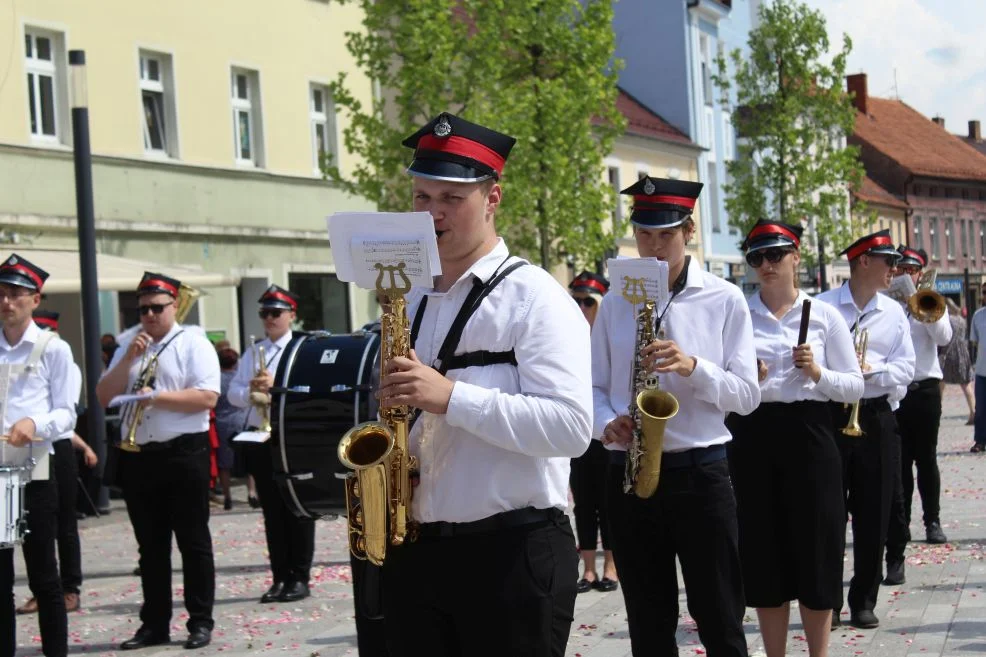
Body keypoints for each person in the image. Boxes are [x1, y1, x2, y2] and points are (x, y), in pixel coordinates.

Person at [375, 112, 592, 657]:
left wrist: (448, 398)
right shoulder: (412, 297)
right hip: (419, 550)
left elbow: (570, 428)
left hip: (512, 555)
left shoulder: (536, 297)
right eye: (422, 197)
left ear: (493, 197)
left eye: (452, 198)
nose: (432, 213)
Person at [592, 176, 760, 656]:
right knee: (647, 621)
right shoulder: (614, 302)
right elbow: (592, 386)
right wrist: (607, 421)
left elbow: (747, 396)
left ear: (689, 229)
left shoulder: (724, 299)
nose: (654, 245)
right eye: (644, 233)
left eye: (665, 234)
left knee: (720, 616)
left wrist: (693, 367)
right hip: (631, 470)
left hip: (700, 472)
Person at [726, 220, 863, 657]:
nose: (765, 265)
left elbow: (854, 386)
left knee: (817, 547)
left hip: (810, 434)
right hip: (753, 433)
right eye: (756, 257)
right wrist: (749, 377)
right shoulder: (738, 313)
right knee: (764, 548)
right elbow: (718, 386)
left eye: (775, 255)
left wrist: (818, 373)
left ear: (796, 256)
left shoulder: (824, 315)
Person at [96, 272, 220, 650]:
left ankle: (200, 621)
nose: (149, 315)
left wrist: (156, 398)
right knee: (149, 547)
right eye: (143, 308)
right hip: (140, 457)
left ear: (173, 306)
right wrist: (128, 359)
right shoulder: (129, 345)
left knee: (193, 543)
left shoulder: (192, 342)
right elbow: (103, 395)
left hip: (184, 453)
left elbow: (208, 397)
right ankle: (154, 624)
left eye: (157, 307)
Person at [816, 230, 915, 629]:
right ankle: (829, 602)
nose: (895, 269)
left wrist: (874, 372)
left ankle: (864, 600)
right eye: (887, 262)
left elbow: (907, 369)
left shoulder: (893, 313)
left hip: (875, 417)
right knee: (827, 514)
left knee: (874, 512)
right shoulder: (822, 307)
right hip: (831, 415)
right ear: (863, 262)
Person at [0, 254, 76, 657]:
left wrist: (34, 423)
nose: (6, 301)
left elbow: (67, 410)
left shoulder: (53, 349)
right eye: (2, 293)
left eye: (15, 294)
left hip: (35, 471)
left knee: (43, 573)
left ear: (35, 298)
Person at [228, 285, 314, 604]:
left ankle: (300, 576)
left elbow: (307, 390)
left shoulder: (302, 347)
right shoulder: (252, 352)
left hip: (289, 436)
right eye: (264, 313)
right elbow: (232, 395)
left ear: (292, 315)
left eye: (276, 313)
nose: (269, 319)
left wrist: (276, 387)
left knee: (297, 507)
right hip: (259, 437)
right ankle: (280, 576)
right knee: (272, 512)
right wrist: (251, 391)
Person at [883, 246, 952, 586]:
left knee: (926, 459)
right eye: (901, 267)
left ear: (921, 272)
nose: (905, 273)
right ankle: (903, 524)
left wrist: (921, 303)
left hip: (924, 388)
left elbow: (944, 337)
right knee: (900, 463)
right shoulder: (888, 306)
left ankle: (933, 520)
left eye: (912, 268)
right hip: (896, 390)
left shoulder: (930, 300)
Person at [16, 311, 85, 617]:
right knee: (24, 533)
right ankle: (43, 589)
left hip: (55, 447)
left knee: (63, 524)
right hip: (20, 451)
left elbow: (66, 415)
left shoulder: (60, 358)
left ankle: (68, 588)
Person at [567, 271, 618, 593]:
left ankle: (611, 566)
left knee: (609, 501)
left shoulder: (610, 336)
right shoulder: (566, 337)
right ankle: (587, 569)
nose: (582, 307)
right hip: (578, 430)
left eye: (589, 301)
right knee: (583, 501)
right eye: (577, 301)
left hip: (609, 430)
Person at [214, 348, 247, 510]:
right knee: (247, 459)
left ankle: (227, 496)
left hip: (221, 422)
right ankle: (252, 492)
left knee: (224, 463)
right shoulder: (239, 379)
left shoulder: (216, 380)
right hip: (240, 419)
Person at [938, 298, 974, 424]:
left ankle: (938, 410)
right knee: (966, 384)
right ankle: (973, 412)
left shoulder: (946, 320)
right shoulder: (961, 320)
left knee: (941, 384)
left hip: (947, 353)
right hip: (962, 352)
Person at [969, 282, 986, 453]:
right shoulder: (978, 316)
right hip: (982, 370)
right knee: (980, 408)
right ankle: (980, 440)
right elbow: (974, 341)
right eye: (984, 292)